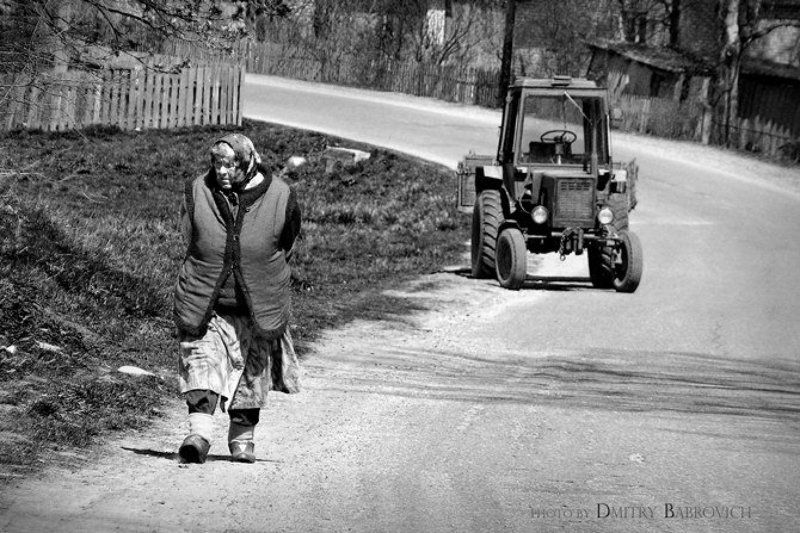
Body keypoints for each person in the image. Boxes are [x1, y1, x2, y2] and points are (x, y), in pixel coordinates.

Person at [173, 133, 301, 464]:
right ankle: (198, 435)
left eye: (230, 164)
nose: (222, 171)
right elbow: (189, 235)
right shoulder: (198, 191)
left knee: (252, 374)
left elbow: (288, 241)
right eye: (217, 163)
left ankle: (242, 437)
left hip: (257, 304)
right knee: (200, 362)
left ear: (248, 162)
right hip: (208, 301)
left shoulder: (280, 197)